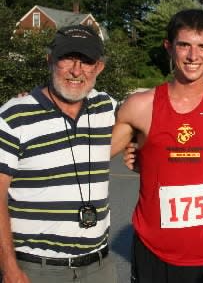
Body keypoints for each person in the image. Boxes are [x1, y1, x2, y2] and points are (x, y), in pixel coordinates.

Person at [111, 9, 203, 283]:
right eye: (184, 45)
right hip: (151, 249)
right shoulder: (140, 105)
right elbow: (92, 151)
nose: (193, 56)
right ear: (169, 47)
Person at [0, 25, 118, 282]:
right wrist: (9, 268)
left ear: (99, 67)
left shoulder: (106, 108)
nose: (77, 70)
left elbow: (157, 115)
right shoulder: (13, 116)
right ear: (50, 59)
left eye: (86, 61)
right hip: (37, 270)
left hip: (99, 267)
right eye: (67, 58)